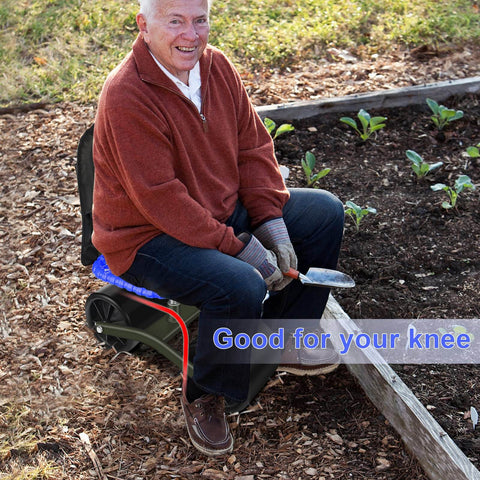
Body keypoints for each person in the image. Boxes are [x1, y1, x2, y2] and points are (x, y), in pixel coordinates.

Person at [92, 0, 345, 457]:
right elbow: (161, 199)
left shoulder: (217, 69)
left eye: (200, 20)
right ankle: (206, 394)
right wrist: (237, 247)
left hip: (219, 212)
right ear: (144, 26)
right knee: (237, 284)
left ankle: (284, 337)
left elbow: (253, 146)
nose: (191, 34)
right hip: (146, 237)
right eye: (175, 21)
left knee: (323, 213)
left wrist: (270, 221)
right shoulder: (126, 94)